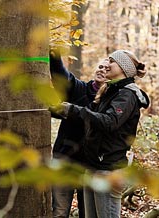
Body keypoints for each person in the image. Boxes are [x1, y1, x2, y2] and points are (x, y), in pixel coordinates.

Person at [51, 50, 150, 218]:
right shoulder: (109, 91)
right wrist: (58, 110)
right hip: (94, 167)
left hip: (108, 169)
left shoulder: (126, 94)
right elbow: (88, 114)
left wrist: (72, 109)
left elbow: (109, 121)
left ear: (123, 67)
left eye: (111, 62)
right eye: (104, 64)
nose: (106, 67)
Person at [49, 48, 108, 218]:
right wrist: (54, 56)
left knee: (88, 213)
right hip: (64, 159)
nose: (102, 70)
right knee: (59, 211)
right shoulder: (79, 88)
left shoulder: (111, 101)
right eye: (100, 66)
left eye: (106, 68)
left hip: (90, 165)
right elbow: (62, 76)